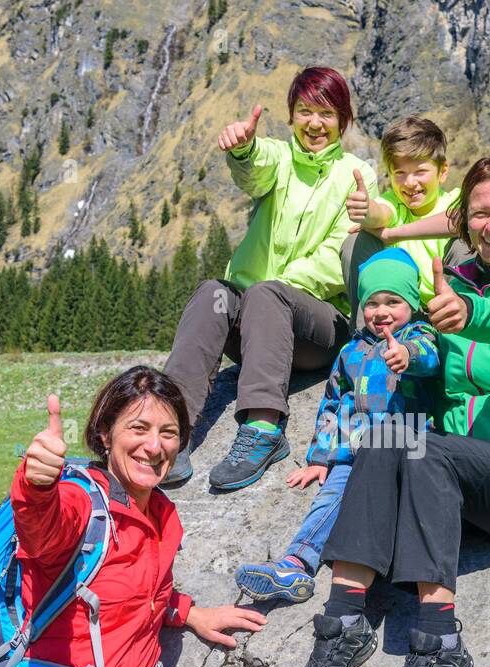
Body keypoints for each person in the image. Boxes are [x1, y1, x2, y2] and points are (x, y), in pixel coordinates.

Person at [290, 152, 490, 667]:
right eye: (479, 213)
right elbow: (411, 354)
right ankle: (342, 624)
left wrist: (467, 311)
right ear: (462, 220)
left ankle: (438, 645)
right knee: (389, 437)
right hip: (454, 483)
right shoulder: (452, 286)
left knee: (428, 447)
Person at [2, 366, 313, 667]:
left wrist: (188, 612)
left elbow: (137, 591)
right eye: (138, 428)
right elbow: (44, 535)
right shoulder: (80, 501)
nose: (155, 445)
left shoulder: (162, 513)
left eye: (169, 432)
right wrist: (36, 486)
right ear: (105, 435)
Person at [160, 66, 378, 491]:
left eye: (327, 113)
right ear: (291, 116)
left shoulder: (356, 173)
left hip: (316, 328)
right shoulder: (277, 156)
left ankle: (264, 428)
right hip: (256, 321)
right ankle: (171, 427)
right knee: (210, 293)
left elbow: (338, 257)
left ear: (343, 120)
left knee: (266, 293)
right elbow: (255, 170)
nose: (315, 123)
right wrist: (243, 151)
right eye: (304, 111)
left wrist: (271, 289)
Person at [234, 248, 441, 603]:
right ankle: (294, 564)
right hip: (352, 452)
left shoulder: (420, 336)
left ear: (411, 303)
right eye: (372, 303)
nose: (381, 312)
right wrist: (320, 457)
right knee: (330, 499)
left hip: (407, 448)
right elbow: (333, 403)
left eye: (393, 301)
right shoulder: (351, 352)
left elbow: (430, 359)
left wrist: (407, 355)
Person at [341, 116, 462, 308]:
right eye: (400, 173)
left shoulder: (455, 201)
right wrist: (366, 209)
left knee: (465, 240)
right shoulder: (395, 203)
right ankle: (365, 331)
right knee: (357, 240)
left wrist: (393, 234)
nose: (409, 183)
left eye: (420, 172)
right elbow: (381, 213)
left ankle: (461, 332)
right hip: (402, 314)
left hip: (451, 310)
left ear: (443, 171)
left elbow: (464, 217)